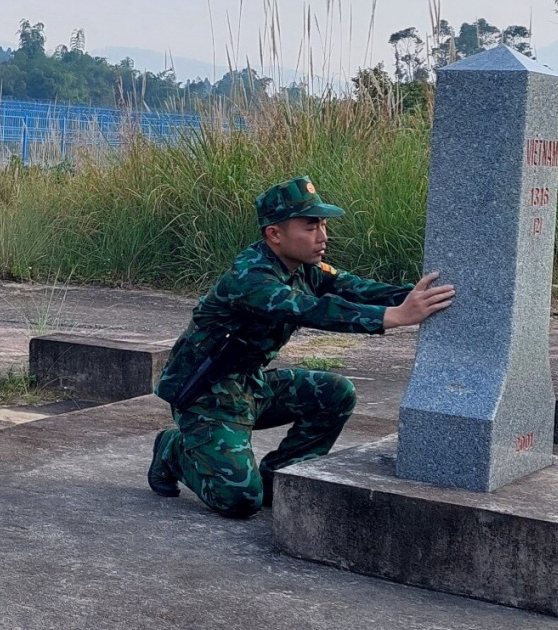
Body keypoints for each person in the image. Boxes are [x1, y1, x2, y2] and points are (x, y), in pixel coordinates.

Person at [147, 176, 455, 519]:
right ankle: (173, 450)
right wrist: (394, 317)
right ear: (274, 234)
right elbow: (310, 309)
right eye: (310, 227)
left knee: (335, 393)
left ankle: (277, 477)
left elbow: (355, 288)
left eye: (322, 224)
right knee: (239, 501)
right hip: (207, 396)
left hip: (251, 384)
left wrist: (423, 296)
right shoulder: (250, 278)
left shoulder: (303, 267)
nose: (322, 236)